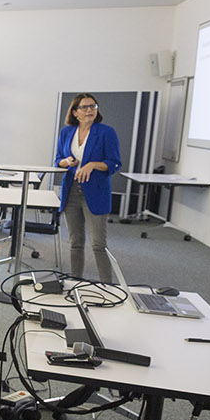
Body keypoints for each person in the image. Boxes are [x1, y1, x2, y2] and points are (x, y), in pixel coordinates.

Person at [56, 93, 122, 282]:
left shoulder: (106, 132)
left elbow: (114, 163)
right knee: (75, 242)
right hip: (71, 191)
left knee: (98, 244)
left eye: (93, 106)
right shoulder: (66, 133)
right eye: (85, 107)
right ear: (75, 112)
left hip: (96, 192)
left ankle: (107, 287)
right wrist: (67, 161)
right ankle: (75, 282)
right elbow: (57, 161)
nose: (90, 110)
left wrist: (92, 164)